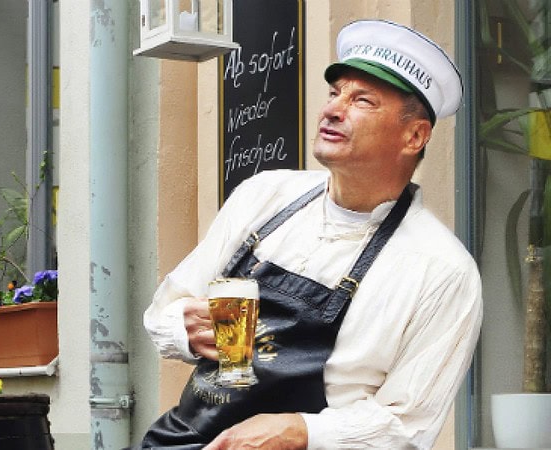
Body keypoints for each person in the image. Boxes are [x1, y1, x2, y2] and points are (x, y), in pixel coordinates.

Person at [138, 19, 483, 449]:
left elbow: (408, 429)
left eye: (362, 100)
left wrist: (302, 431)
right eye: (335, 93)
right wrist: (183, 329)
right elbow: (164, 312)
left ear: (414, 135)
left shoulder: (442, 270)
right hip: (183, 439)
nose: (333, 110)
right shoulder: (264, 195)